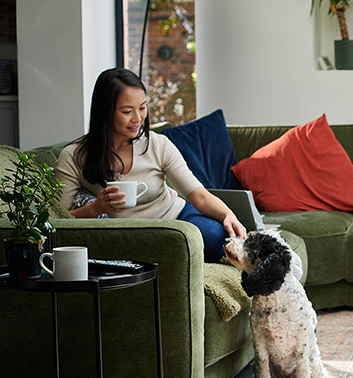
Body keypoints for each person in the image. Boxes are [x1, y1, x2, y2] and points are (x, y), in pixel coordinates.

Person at [54, 67, 245, 261]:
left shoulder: (157, 144)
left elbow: (198, 195)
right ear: (105, 111)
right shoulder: (74, 157)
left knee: (218, 239)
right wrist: (95, 209)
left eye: (142, 107)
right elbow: (58, 220)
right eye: (127, 111)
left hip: (176, 218)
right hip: (126, 235)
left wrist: (227, 214)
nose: (137, 118)